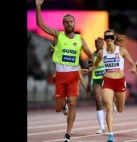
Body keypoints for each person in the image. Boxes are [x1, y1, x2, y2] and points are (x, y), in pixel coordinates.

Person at [35, 0, 94, 141]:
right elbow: (40, 25)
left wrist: (90, 64)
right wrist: (38, 6)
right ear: (63, 24)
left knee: (74, 102)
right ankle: (64, 105)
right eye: (66, 22)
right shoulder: (58, 35)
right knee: (58, 108)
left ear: (74, 23)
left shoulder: (80, 40)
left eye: (71, 21)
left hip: (73, 75)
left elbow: (90, 55)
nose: (69, 24)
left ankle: (68, 134)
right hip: (60, 76)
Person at [81, 29, 137, 142]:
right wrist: (88, 70)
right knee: (108, 107)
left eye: (110, 37)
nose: (108, 39)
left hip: (120, 81)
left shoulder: (121, 50)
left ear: (114, 38)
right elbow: (95, 66)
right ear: (105, 40)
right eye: (106, 37)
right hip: (107, 81)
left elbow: (131, 62)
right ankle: (111, 134)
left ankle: (116, 100)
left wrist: (133, 68)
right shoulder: (102, 53)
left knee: (120, 109)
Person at [87, 37, 106, 134]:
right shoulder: (91, 56)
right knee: (98, 101)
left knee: (107, 101)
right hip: (97, 80)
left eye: (99, 42)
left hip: (107, 79)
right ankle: (102, 127)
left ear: (103, 43)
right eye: (96, 43)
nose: (97, 44)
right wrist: (88, 83)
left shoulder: (108, 53)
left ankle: (114, 100)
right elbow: (90, 71)